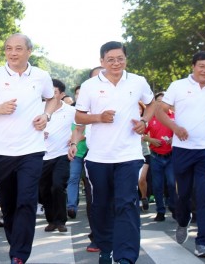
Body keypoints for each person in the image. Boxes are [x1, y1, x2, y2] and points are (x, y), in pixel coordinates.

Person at [0, 33, 58, 264]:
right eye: (8, 48)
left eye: (18, 48)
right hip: (2, 151)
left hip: (32, 150)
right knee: (9, 203)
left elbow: (51, 99)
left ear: (29, 51)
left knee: (26, 201)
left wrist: (46, 115)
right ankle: (16, 246)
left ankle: (19, 255)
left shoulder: (41, 76)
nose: (13, 53)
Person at [74, 41, 155, 264]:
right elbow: (79, 117)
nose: (116, 63)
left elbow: (151, 104)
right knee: (101, 205)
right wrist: (98, 117)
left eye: (120, 58)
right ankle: (105, 248)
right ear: (102, 62)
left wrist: (144, 121)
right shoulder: (90, 85)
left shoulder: (138, 81)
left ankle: (126, 257)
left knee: (126, 203)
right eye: (110, 59)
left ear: (126, 59)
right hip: (99, 157)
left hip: (128, 155)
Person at [156, 51, 205, 258]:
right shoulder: (178, 86)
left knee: (204, 195)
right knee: (183, 195)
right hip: (182, 150)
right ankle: (183, 221)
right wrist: (175, 127)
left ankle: (203, 243)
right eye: (202, 66)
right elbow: (159, 110)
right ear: (193, 66)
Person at [67, 66, 102, 253]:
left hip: (123, 159)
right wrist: (73, 144)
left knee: (120, 201)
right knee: (94, 199)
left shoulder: (127, 95)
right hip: (92, 158)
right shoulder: (84, 107)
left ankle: (116, 238)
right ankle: (96, 236)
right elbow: (79, 129)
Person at [39, 79, 75, 233]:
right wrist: (40, 133)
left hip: (61, 154)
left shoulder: (71, 111)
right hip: (42, 155)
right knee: (44, 189)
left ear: (62, 94)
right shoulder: (39, 108)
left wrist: (73, 140)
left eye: (54, 93)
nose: (51, 96)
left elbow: (81, 127)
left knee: (58, 186)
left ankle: (61, 221)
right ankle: (51, 220)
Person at [143, 92, 176, 222]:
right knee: (157, 185)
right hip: (155, 156)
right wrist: (150, 140)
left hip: (171, 155)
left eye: (164, 101)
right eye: (159, 101)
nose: (161, 103)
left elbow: (182, 131)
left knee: (172, 183)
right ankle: (160, 211)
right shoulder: (150, 117)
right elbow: (141, 134)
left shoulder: (174, 116)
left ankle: (173, 206)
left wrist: (174, 138)